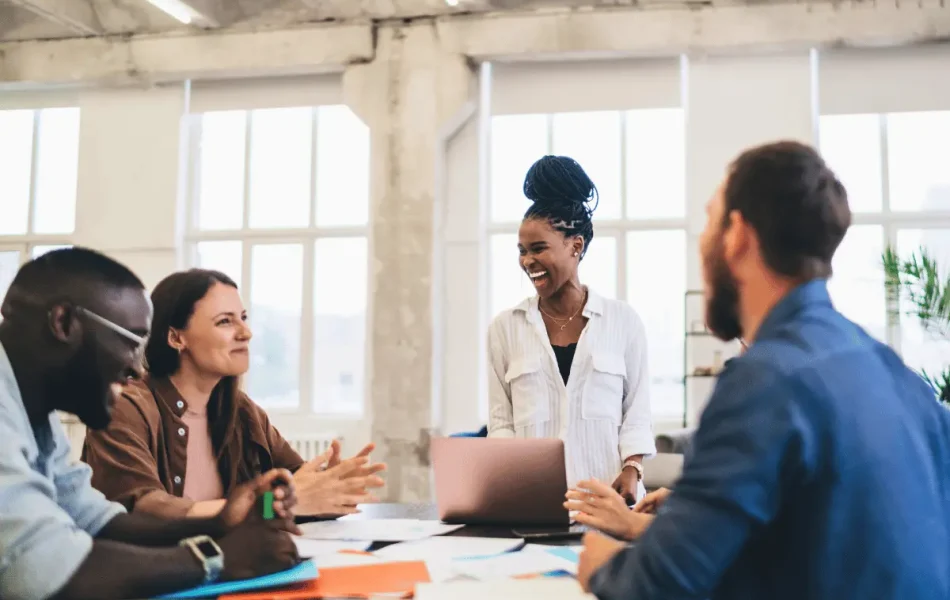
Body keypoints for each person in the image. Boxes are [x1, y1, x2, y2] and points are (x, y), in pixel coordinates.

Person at [577, 141, 950, 600]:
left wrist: (604, 566)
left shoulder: (764, 381)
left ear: (737, 235)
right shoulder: (895, 374)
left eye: (709, 218)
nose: (702, 241)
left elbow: (658, 586)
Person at [0, 248, 302, 600]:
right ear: (64, 323)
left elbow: (97, 520)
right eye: (129, 342)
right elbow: (42, 569)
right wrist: (219, 558)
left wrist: (219, 524)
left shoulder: (34, 413)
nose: (135, 368)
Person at [83, 269, 385, 519]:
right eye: (225, 321)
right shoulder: (124, 408)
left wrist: (329, 489)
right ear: (176, 337)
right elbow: (143, 510)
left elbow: (293, 491)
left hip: (231, 571)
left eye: (244, 318)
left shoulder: (243, 412)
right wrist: (285, 501)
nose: (246, 333)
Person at [487, 155, 655, 502]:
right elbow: (500, 423)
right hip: (532, 504)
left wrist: (632, 468)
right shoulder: (505, 328)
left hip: (608, 504)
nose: (527, 261)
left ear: (575, 246)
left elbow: (637, 411)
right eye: (521, 251)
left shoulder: (623, 322)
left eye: (538, 249)